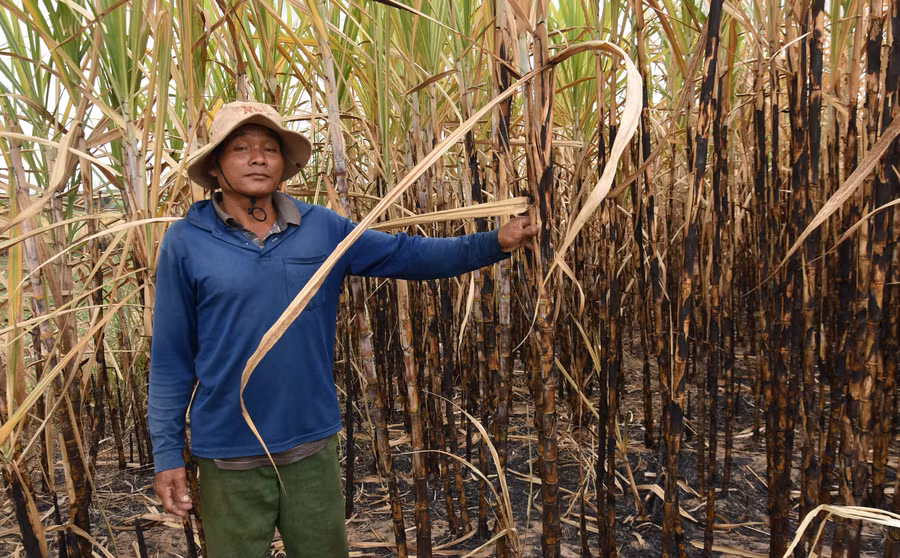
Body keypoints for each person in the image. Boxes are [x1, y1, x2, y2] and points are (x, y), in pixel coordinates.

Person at [149, 100, 538, 558]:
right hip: (228, 453)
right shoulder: (186, 242)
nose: (258, 157)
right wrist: (168, 453)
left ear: (283, 164)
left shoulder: (321, 229)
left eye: (269, 148)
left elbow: (406, 255)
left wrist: (495, 242)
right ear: (215, 166)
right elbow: (172, 358)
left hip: (311, 446)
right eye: (241, 148)